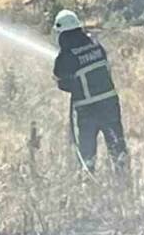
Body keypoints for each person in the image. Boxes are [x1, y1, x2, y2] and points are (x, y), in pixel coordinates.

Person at [52, 9, 128, 173]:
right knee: (118, 149)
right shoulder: (96, 45)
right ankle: (124, 183)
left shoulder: (67, 55)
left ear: (62, 34)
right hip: (110, 104)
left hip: (87, 110)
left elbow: (61, 79)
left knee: (87, 155)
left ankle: (88, 185)